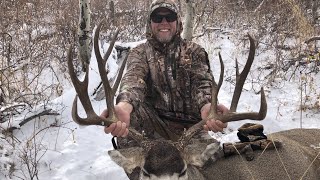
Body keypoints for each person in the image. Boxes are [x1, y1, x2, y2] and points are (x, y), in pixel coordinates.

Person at [101, 0, 228, 148]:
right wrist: (124, 106)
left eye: (169, 17)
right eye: (157, 18)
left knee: (210, 165)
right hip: (153, 125)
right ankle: (144, 171)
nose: (164, 22)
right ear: (150, 23)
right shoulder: (140, 53)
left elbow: (202, 83)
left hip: (190, 129)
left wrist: (207, 106)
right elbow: (134, 81)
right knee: (129, 119)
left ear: (178, 21)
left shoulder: (194, 51)